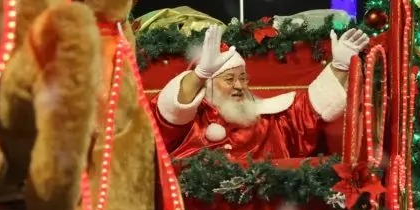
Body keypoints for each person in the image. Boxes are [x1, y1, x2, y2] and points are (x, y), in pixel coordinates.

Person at [154, 25, 370, 159]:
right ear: (208, 84)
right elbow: (169, 115)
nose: (239, 86)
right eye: (229, 79)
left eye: (243, 78)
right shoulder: (190, 125)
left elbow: (306, 113)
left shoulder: (267, 121)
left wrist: (339, 67)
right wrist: (199, 75)